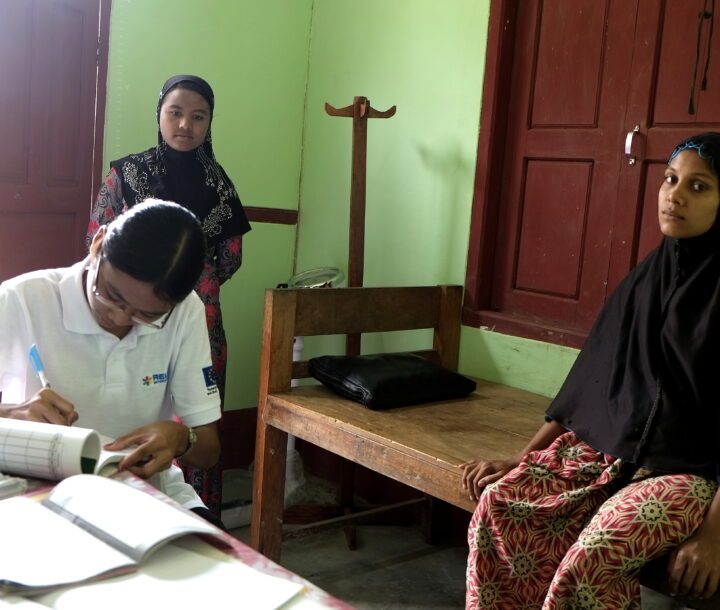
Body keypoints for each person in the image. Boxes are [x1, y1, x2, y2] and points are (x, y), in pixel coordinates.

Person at [462, 132, 720, 609]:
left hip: (696, 474)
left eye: (699, 186)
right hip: (612, 453)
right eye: (669, 179)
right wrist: (522, 461)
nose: (675, 195)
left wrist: (714, 537)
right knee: (500, 506)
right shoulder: (646, 281)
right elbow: (588, 385)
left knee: (596, 557)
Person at [0, 200, 224, 528]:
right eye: (111, 295)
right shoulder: (20, 300)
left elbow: (208, 451)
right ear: (98, 244)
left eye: (146, 316)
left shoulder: (185, 311)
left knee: (219, 562)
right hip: (34, 492)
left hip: (143, 494)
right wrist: (11, 415)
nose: (119, 318)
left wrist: (182, 439)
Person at [87, 75, 251, 516]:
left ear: (209, 124)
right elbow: (96, 238)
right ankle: (128, 505)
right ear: (159, 114)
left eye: (198, 117)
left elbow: (231, 257)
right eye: (175, 113)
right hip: (129, 314)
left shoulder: (219, 184)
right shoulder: (128, 174)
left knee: (199, 417)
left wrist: (191, 291)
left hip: (202, 316)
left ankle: (196, 515)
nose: (185, 125)